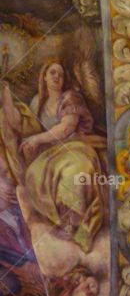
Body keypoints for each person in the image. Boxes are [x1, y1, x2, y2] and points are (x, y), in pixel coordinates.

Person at [0, 60, 107, 251]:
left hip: (77, 146)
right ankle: (61, 218)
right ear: (44, 76)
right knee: (34, 173)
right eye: (52, 73)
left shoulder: (71, 97)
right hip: (49, 155)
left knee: (75, 168)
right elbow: (17, 123)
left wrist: (37, 139)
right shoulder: (36, 102)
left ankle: (75, 222)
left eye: (60, 74)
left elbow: (66, 128)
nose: (57, 77)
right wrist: (6, 92)